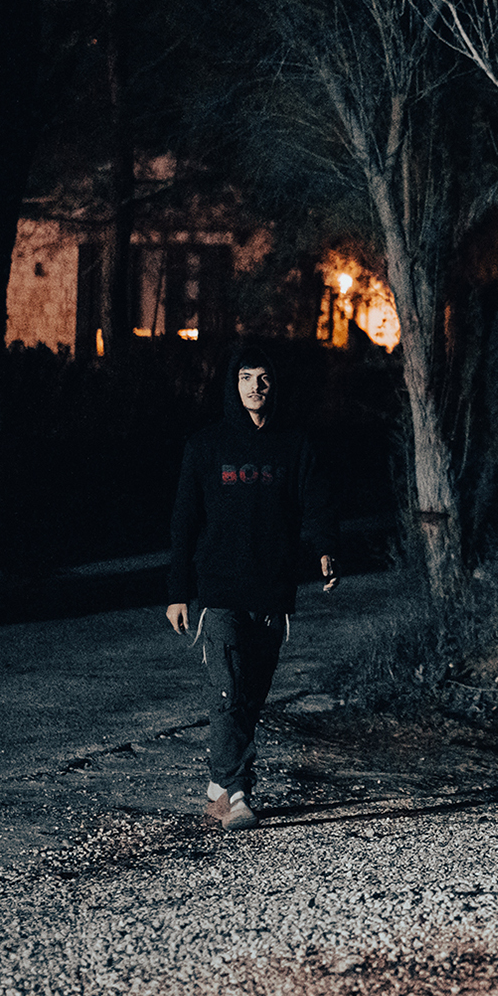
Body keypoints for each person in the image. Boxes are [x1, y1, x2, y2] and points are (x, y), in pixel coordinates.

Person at [167, 343, 339, 831]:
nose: (255, 387)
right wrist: (178, 591)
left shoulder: (295, 444)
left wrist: (326, 550)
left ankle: (219, 785)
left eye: (263, 378)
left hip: (273, 589)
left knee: (251, 697)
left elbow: (318, 503)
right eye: (245, 377)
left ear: (274, 384)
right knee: (227, 691)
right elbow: (184, 521)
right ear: (233, 384)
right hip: (220, 589)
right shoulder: (206, 446)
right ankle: (237, 793)